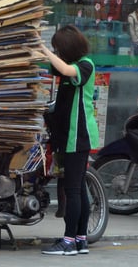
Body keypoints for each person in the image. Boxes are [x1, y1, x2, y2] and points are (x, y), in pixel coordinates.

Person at [39, 24, 99, 256]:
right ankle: (80, 238)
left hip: (78, 136)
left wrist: (44, 48)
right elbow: (56, 68)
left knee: (73, 190)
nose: (57, 52)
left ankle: (68, 242)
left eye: (58, 48)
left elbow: (64, 69)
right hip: (69, 136)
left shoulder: (85, 65)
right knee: (79, 190)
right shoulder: (69, 66)